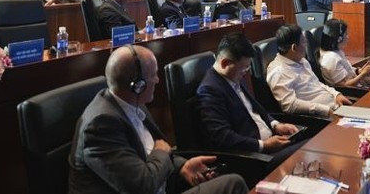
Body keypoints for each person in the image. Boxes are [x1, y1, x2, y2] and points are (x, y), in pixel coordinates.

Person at [68, 45, 248, 194]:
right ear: (138, 85)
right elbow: (142, 186)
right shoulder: (100, 126)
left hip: (163, 185)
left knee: (232, 183)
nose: (157, 80)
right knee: (233, 185)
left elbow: (152, 152)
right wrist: (161, 152)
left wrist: (182, 166)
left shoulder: (134, 103)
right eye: (153, 74)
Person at [197, 33, 302, 169]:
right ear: (225, 63)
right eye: (244, 68)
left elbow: (255, 109)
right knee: (307, 148)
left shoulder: (233, 75)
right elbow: (223, 137)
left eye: (248, 67)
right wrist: (263, 145)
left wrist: (275, 125)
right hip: (255, 157)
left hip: (271, 141)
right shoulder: (209, 90)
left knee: (309, 142)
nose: (246, 72)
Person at [266, 24, 351, 116]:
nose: (306, 44)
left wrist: (336, 94)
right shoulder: (279, 72)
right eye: (304, 42)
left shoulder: (302, 61)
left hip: (336, 106)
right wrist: (325, 110)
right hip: (323, 115)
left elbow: (317, 84)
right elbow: (290, 105)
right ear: (294, 48)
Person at [318, 19, 370, 88]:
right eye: (346, 34)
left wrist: (359, 71)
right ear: (339, 39)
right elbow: (345, 86)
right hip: (353, 90)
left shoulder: (337, 52)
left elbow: (347, 70)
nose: (348, 37)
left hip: (357, 80)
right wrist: (363, 74)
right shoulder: (331, 59)